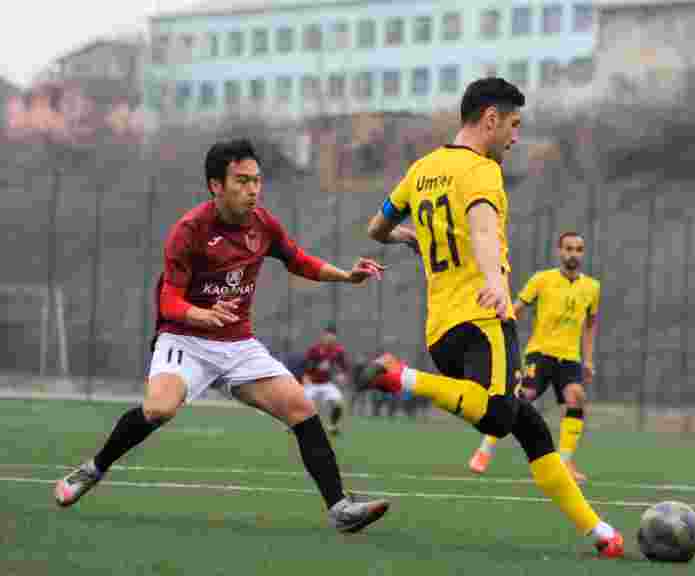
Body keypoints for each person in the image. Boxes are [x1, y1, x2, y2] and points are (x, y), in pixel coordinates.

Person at [54, 139, 391, 533]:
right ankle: (93, 469)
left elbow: (298, 260)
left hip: (237, 345)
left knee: (301, 408)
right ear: (216, 185)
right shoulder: (189, 231)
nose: (253, 189)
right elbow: (168, 301)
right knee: (159, 409)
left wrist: (345, 276)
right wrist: (203, 315)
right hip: (185, 339)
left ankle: (340, 509)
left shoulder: (263, 224)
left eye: (257, 180)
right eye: (242, 181)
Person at [361, 77, 624, 558]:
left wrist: (406, 237)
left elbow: (376, 227)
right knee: (500, 417)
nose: (515, 137)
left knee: (529, 426)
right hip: (483, 319)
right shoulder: (481, 169)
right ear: (490, 119)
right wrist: (496, 283)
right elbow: (483, 228)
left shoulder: (421, 170)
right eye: (513, 125)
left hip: (440, 330)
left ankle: (600, 532)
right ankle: (402, 378)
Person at [468, 231, 600, 482]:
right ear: (560, 252)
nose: (573, 254)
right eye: (569, 248)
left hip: (569, 358)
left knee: (576, 397)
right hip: (540, 353)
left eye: (578, 249)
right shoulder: (542, 279)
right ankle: (484, 450)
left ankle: (565, 463)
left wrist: (589, 359)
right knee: (520, 397)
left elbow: (591, 324)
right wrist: (498, 326)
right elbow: (516, 308)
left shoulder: (592, 287)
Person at [302, 323, 350, 435]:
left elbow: (344, 366)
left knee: (338, 403)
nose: (331, 337)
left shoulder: (338, 350)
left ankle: (333, 426)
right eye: (328, 335)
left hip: (326, 384)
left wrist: (342, 375)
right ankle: (294, 426)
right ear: (324, 335)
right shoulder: (314, 349)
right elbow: (306, 365)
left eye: (333, 335)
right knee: (302, 407)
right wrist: (314, 369)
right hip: (312, 383)